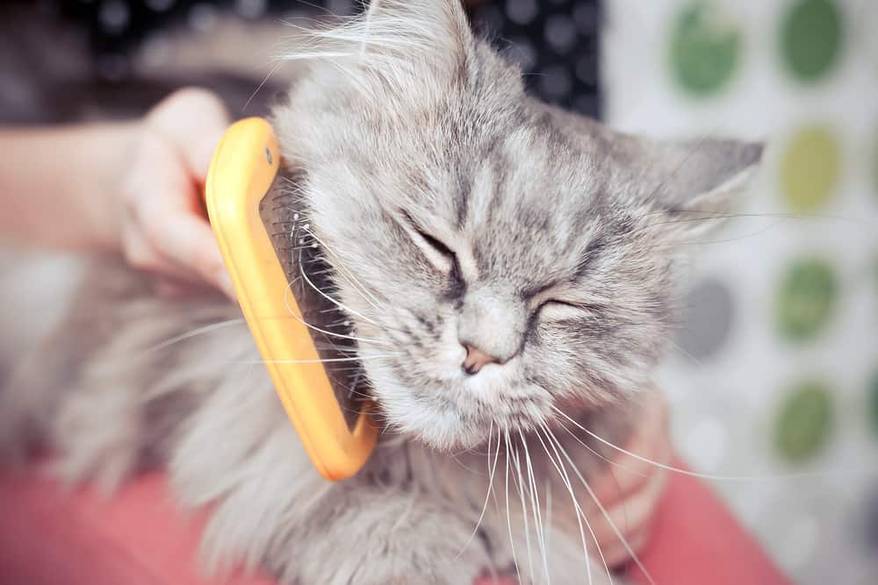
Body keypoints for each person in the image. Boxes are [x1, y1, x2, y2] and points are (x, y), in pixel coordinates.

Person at [0, 85, 671, 570]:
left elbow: (586, 171)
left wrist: (622, 396)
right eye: (438, 245)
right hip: (88, 167)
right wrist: (113, 175)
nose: (485, 346)